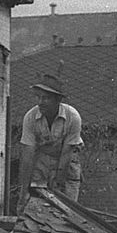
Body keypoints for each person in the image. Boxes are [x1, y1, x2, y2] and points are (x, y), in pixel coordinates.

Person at [16, 73, 83, 214]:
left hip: (68, 160)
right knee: (36, 205)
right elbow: (27, 156)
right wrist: (24, 191)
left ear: (57, 100)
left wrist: (58, 186)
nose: (40, 102)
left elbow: (67, 153)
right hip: (43, 158)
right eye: (38, 97)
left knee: (66, 208)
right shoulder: (30, 117)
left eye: (45, 98)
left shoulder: (73, 117)